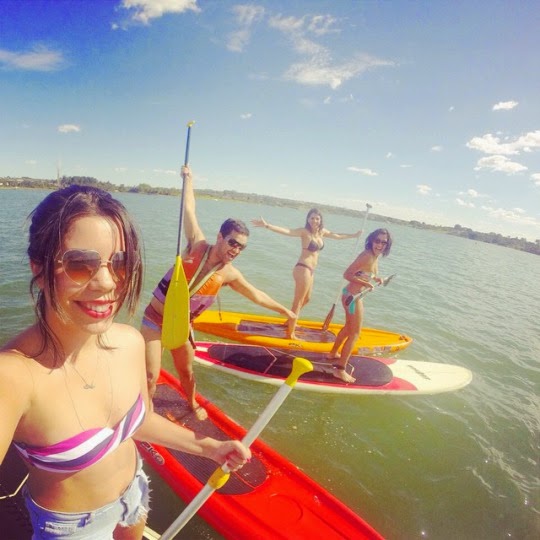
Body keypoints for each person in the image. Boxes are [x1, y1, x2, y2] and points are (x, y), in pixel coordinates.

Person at [0, 185, 251, 539]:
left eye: (120, 263)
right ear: (39, 269)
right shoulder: (13, 375)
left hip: (134, 493)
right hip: (74, 528)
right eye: (79, 263)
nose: (107, 283)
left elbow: (139, 422)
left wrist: (209, 447)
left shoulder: (130, 342)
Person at [142, 165, 295, 419]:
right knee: (150, 375)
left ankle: (191, 402)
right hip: (154, 320)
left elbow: (256, 294)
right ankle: (146, 414)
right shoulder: (197, 244)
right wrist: (188, 179)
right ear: (220, 237)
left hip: (181, 327)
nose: (236, 250)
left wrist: (285, 311)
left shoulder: (229, 274)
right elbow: (189, 209)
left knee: (187, 373)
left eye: (241, 247)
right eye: (233, 242)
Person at [251, 209, 361, 339]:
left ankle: (289, 320)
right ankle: (290, 333)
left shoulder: (322, 232)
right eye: (312, 218)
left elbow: (337, 235)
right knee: (298, 302)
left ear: (320, 220)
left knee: (307, 299)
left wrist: (354, 235)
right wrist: (267, 225)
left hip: (311, 271)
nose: (314, 221)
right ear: (308, 220)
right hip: (302, 268)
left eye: (317, 218)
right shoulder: (304, 232)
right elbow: (287, 231)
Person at [328, 228, 393, 383]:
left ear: (387, 245)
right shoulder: (367, 256)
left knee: (348, 328)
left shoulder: (374, 256)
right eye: (377, 241)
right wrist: (366, 284)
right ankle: (340, 370)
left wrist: (376, 279)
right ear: (371, 240)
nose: (380, 245)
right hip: (353, 298)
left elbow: (364, 272)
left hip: (350, 295)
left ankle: (333, 353)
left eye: (384, 242)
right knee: (355, 334)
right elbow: (347, 274)